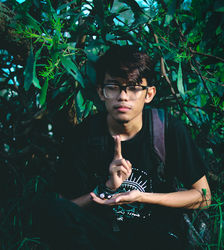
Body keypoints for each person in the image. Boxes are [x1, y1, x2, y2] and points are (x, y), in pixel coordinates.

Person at [33, 45, 211, 250]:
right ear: (101, 92)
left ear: (149, 94)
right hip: (103, 235)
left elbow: (203, 196)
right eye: (113, 87)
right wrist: (105, 189)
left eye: (134, 87)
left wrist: (143, 197)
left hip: (156, 234)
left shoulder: (168, 129)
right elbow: (65, 208)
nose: (123, 96)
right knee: (49, 211)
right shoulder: (85, 135)